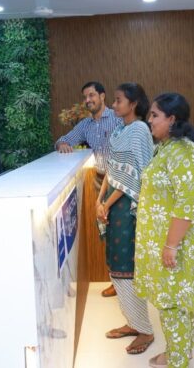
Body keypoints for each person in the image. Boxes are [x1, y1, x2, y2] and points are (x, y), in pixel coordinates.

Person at [134, 93, 194, 368]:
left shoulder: (184, 152)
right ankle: (181, 350)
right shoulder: (166, 148)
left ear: (172, 119)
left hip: (178, 242)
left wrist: (171, 246)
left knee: (173, 302)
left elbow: (187, 204)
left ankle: (176, 359)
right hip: (167, 240)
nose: (149, 120)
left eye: (154, 115)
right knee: (177, 300)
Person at [96, 82, 155, 355]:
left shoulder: (140, 130)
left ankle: (145, 330)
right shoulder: (120, 130)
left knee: (127, 268)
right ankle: (133, 322)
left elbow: (134, 175)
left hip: (127, 208)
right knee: (116, 266)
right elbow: (112, 169)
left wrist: (106, 203)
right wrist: (99, 200)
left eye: (118, 100)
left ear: (133, 104)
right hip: (112, 204)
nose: (113, 105)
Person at [56, 81, 122, 298]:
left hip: (122, 183)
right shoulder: (86, 125)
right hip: (100, 182)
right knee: (108, 232)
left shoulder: (117, 118)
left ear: (102, 96)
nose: (88, 100)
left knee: (123, 232)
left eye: (92, 95)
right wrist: (62, 144)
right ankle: (117, 281)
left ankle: (128, 283)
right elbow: (64, 140)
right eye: (85, 97)